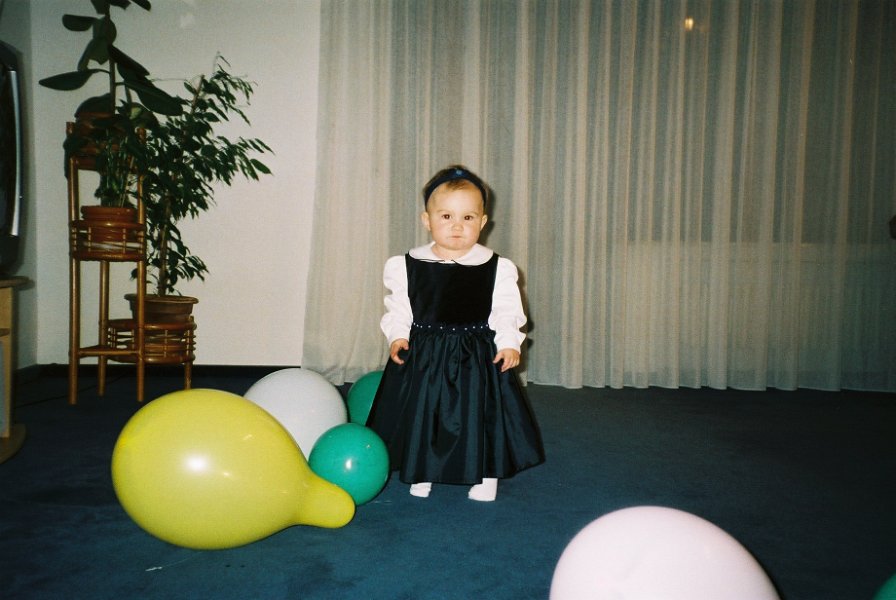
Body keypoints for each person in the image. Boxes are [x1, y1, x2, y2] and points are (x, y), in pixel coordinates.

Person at [366, 165, 545, 502]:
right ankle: (422, 469)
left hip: (476, 355)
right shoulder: (407, 265)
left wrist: (509, 343)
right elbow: (400, 307)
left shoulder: (496, 267)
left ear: (483, 222)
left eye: (468, 217)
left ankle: (486, 475)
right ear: (427, 220)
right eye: (446, 216)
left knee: (478, 414)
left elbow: (506, 311)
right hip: (425, 354)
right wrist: (398, 336)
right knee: (426, 411)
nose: (457, 226)